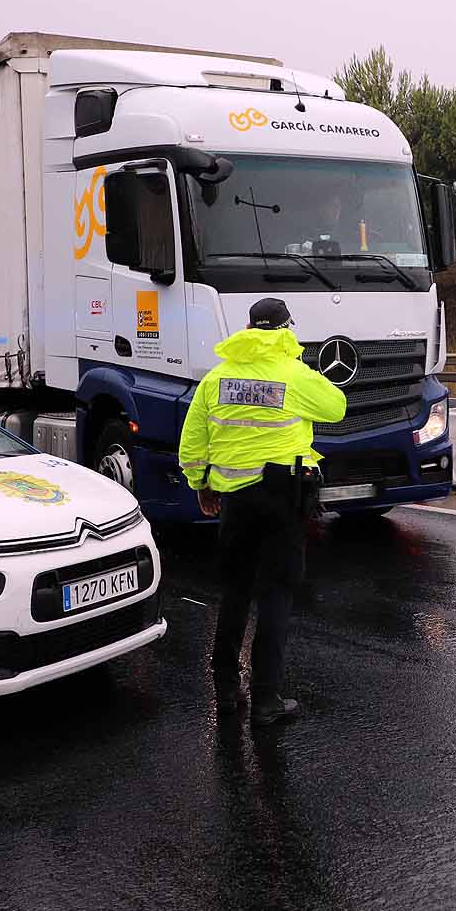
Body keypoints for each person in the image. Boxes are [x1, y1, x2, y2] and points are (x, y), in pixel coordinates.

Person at [179, 297, 347, 725]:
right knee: (275, 593)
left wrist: (201, 484)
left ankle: (226, 691)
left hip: (234, 498)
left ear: (248, 328)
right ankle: (267, 701)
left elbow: (193, 443)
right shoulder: (294, 373)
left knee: (235, 592)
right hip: (282, 495)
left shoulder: (217, 378)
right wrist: (303, 363)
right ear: (287, 328)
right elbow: (336, 408)